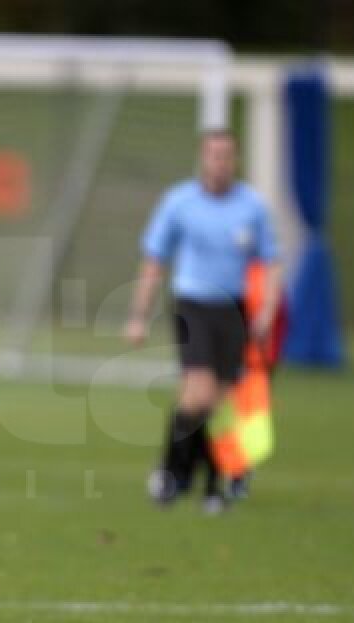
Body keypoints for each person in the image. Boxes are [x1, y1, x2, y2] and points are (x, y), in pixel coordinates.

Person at [125, 129, 282, 514]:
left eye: (227, 155)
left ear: (236, 160)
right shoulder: (180, 202)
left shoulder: (252, 207)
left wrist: (266, 312)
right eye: (214, 154)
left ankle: (198, 478)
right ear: (203, 158)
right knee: (199, 393)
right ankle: (182, 476)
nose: (220, 162)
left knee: (219, 402)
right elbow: (154, 260)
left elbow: (271, 262)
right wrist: (138, 315)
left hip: (234, 310)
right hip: (193, 304)